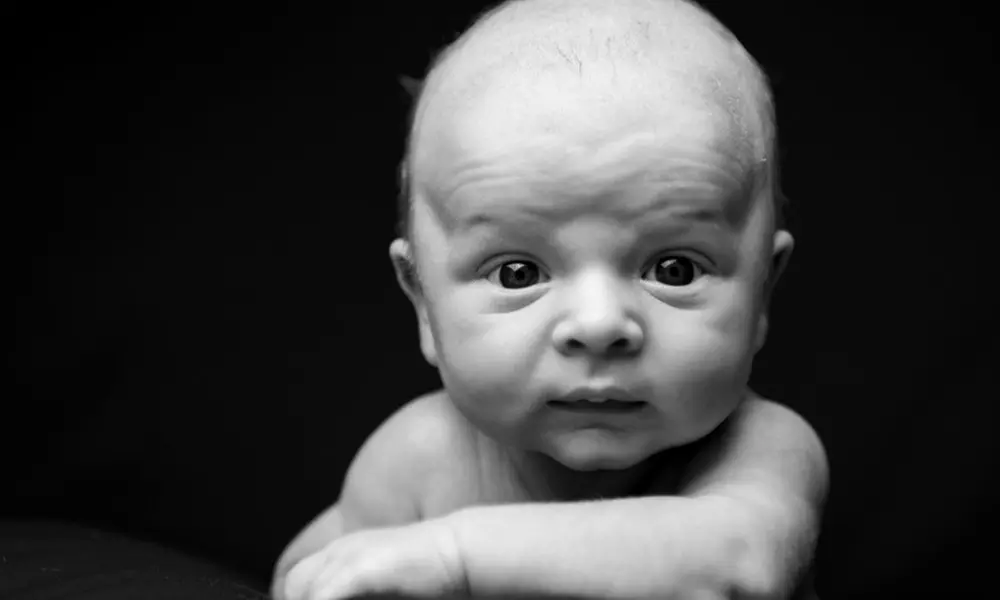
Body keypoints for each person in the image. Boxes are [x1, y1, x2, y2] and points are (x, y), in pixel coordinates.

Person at [273, 1, 829, 598]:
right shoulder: (415, 461)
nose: (599, 324)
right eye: (517, 273)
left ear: (762, 290)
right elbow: (313, 573)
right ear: (424, 303)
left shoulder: (764, 448)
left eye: (675, 270)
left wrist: (454, 556)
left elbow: (737, 563)